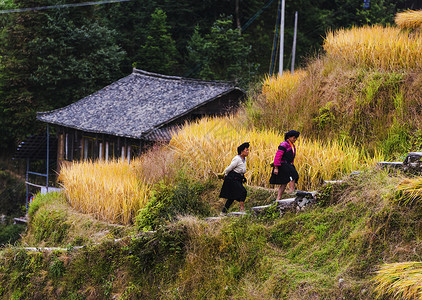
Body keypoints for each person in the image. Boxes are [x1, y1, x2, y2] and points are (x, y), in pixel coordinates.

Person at [219, 142, 250, 215]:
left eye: (248, 150)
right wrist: (224, 176)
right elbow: (229, 168)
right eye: (246, 150)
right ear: (242, 152)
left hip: (238, 178)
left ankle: (223, 212)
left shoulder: (244, 159)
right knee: (243, 191)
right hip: (232, 178)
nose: (248, 152)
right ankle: (242, 209)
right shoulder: (237, 159)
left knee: (232, 196)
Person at [270, 130, 300, 200]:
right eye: (294, 138)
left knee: (284, 182)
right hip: (283, 164)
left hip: (289, 164)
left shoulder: (292, 145)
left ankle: (278, 198)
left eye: (296, 138)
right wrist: (276, 167)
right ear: (289, 137)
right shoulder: (284, 144)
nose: (295, 140)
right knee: (293, 175)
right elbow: (278, 156)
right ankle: (291, 191)